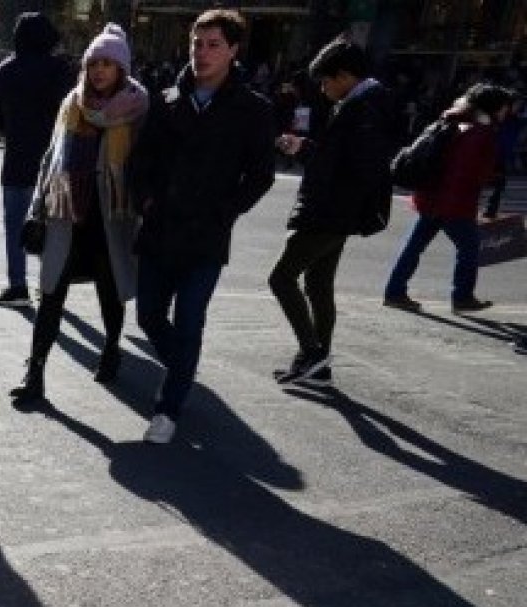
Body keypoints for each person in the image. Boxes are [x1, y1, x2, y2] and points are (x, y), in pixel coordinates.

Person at [127, 9, 273, 444]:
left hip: (206, 237)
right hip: (159, 229)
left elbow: (261, 174)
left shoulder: (252, 109)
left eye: (213, 45)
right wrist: (145, 198)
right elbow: (140, 159)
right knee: (149, 316)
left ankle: (168, 407)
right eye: (197, 43)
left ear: (232, 51)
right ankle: (182, 368)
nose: (202, 53)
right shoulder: (167, 100)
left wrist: (227, 211)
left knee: (189, 321)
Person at [9, 24, 148, 406]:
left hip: (110, 218)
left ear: (121, 69)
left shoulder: (138, 107)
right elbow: (51, 159)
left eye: (107, 64)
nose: (99, 71)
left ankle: (112, 347)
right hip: (66, 212)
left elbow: (149, 164)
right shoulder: (73, 102)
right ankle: (35, 372)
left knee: (109, 292)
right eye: (93, 63)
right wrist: (37, 209)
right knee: (51, 293)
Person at [268, 39, 399, 387]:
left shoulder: (364, 110)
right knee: (318, 284)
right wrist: (307, 148)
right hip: (338, 212)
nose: (323, 88)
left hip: (329, 211)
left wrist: (307, 152)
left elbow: (351, 168)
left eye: (326, 80)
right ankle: (319, 365)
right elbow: (341, 159)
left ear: (344, 76)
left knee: (282, 278)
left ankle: (313, 353)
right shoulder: (363, 105)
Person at [383, 83, 512, 314]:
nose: (507, 111)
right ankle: (462, 297)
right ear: (492, 107)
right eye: (504, 106)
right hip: (454, 203)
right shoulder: (481, 133)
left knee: (414, 247)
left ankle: (394, 291)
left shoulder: (453, 119)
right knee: (469, 248)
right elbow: (468, 172)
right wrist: (492, 178)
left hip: (430, 196)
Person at [0, 12, 71, 307]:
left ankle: (18, 285)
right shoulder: (60, 70)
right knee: (53, 228)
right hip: (55, 161)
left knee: (15, 226)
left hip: (17, 159)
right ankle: (50, 288)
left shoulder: (4, 72)